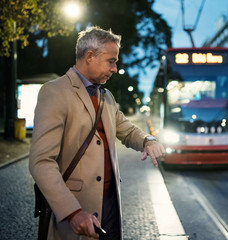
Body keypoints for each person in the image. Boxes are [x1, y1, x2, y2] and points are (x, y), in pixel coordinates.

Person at [29, 26, 166, 240]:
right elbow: (41, 162)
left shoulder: (106, 96)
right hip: (77, 210)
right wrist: (72, 212)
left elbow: (127, 130)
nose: (114, 68)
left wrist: (148, 140)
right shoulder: (55, 92)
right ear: (90, 56)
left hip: (110, 204)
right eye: (111, 61)